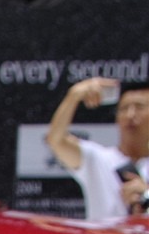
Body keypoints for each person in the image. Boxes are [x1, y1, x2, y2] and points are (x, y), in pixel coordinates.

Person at [44, 78, 149, 221]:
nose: (130, 115)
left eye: (139, 107)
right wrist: (74, 95)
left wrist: (146, 195)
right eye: (124, 109)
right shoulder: (97, 158)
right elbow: (56, 140)